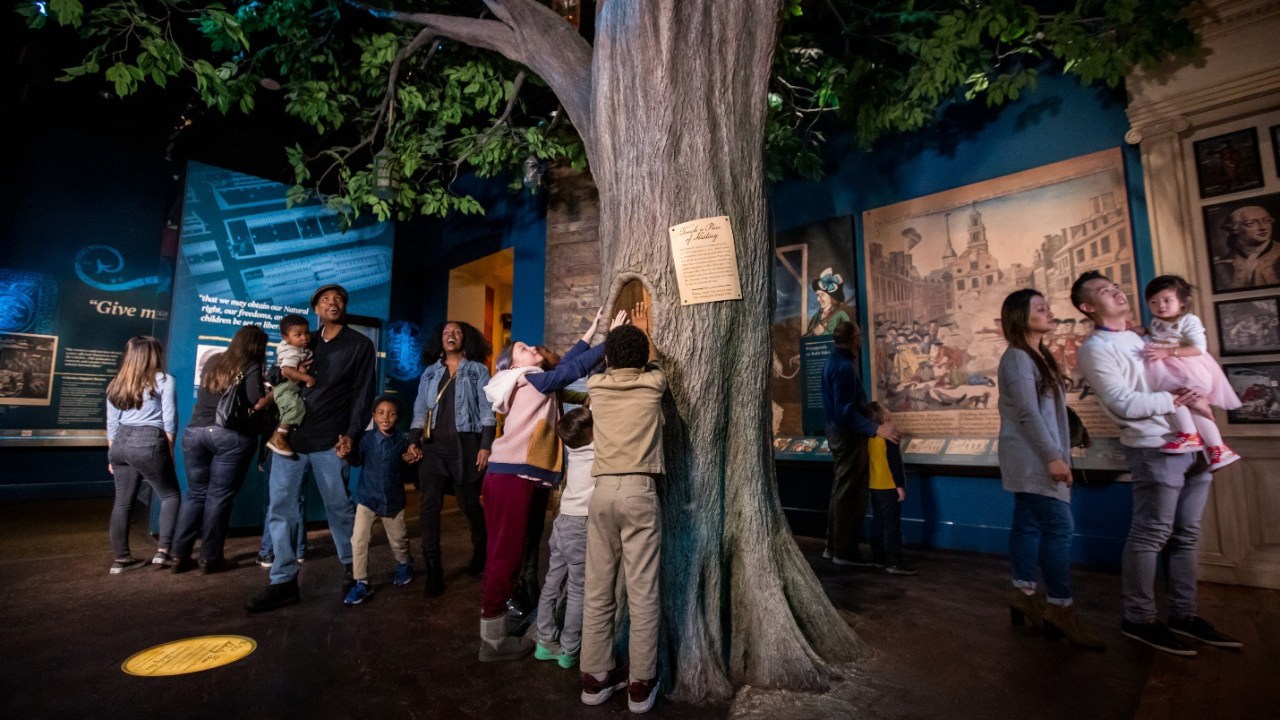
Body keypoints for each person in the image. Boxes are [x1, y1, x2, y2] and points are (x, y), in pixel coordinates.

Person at [1074, 270, 1243, 656]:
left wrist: (1195, 397)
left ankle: (1184, 614)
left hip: (1194, 443)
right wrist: (1182, 399)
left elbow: (1183, 361)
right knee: (1151, 534)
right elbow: (1123, 403)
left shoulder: (1141, 333)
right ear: (1087, 307)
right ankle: (1139, 618)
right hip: (1155, 446)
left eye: (1115, 286)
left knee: (1187, 535)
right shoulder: (1095, 348)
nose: (1116, 291)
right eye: (1104, 291)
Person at [477, 308, 623, 662]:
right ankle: (492, 640)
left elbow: (567, 364)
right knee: (504, 554)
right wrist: (612, 342)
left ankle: (495, 628)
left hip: (510, 476)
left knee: (509, 552)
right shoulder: (527, 378)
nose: (531, 349)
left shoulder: (532, 378)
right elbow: (571, 370)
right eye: (523, 348)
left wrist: (592, 331)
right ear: (512, 366)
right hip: (512, 476)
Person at [247, 284, 376, 613]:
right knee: (281, 509)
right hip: (289, 442)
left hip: (329, 440)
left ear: (344, 307)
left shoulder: (359, 345)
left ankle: (354, 571)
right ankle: (283, 581)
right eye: (325, 299)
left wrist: (352, 433)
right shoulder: (305, 341)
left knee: (339, 508)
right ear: (315, 308)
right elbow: (279, 380)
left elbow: (363, 393)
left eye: (338, 299)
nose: (333, 303)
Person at [996, 289, 1102, 649]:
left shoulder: (1034, 356)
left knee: (1028, 523)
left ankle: (1024, 592)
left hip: (1033, 455)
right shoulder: (1018, 359)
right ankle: (1060, 606)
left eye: (1047, 307)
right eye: (1039, 308)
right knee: (1059, 526)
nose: (1049, 312)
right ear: (1019, 317)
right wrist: (1053, 457)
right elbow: (1027, 412)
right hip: (1034, 458)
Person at [579, 322, 665, 714]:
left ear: (609, 358)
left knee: (598, 588)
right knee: (642, 591)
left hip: (602, 494)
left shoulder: (596, 387)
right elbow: (658, 366)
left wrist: (609, 343)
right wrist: (648, 338)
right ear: (644, 358)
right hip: (639, 491)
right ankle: (640, 684)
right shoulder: (654, 384)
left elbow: (596, 368)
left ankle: (595, 678)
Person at [171, 325, 268, 574]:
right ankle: (210, 558)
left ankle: (179, 554)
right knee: (218, 496)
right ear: (257, 346)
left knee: (195, 494)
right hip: (229, 435)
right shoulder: (251, 365)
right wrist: (273, 394)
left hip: (195, 432)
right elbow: (254, 402)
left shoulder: (214, 360)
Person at [410, 320, 495, 597]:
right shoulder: (430, 372)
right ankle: (433, 569)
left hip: (465, 447)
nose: (451, 335)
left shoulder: (478, 370)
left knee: (469, 505)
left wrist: (485, 445)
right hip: (433, 449)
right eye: (446, 331)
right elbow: (420, 408)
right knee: (429, 507)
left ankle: (481, 551)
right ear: (440, 339)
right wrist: (414, 440)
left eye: (457, 332)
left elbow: (487, 409)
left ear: (465, 339)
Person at [1142, 275, 1242, 471]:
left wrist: (1168, 352)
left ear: (1182, 303)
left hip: (1188, 368)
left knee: (1179, 398)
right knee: (1185, 403)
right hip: (1169, 369)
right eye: (1154, 302)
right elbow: (1160, 335)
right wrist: (1143, 330)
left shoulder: (1188, 320)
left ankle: (1190, 435)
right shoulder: (1157, 322)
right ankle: (1217, 448)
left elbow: (1199, 348)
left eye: (1167, 300)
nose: (1160, 306)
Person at [821, 320, 899, 567]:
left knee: (840, 489)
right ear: (854, 339)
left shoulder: (835, 362)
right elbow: (844, 412)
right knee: (850, 493)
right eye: (859, 335)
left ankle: (833, 546)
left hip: (839, 433)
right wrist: (876, 428)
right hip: (847, 436)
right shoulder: (843, 367)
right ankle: (844, 552)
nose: (861, 339)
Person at [104, 336, 180, 573]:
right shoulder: (165, 381)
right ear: (154, 355)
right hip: (149, 441)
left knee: (122, 503)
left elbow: (112, 424)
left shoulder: (116, 383)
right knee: (170, 495)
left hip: (120, 444)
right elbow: (169, 421)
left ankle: (121, 560)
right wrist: (169, 451)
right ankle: (163, 552)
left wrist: (111, 455)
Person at [532, 407, 596, 670]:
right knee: (578, 589)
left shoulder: (574, 449)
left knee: (552, 582)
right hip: (580, 525)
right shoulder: (597, 450)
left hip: (563, 521)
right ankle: (570, 648)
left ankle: (544, 640)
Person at [344, 397, 421, 605]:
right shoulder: (366, 439)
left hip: (392, 500)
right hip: (367, 498)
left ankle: (405, 564)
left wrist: (411, 461)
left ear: (398, 418)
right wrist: (347, 454)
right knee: (358, 540)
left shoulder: (403, 442)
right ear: (374, 416)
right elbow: (357, 460)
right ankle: (361, 582)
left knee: (399, 539)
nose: (385, 417)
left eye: (391, 413)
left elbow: (406, 471)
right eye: (381, 412)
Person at [865, 402, 916, 576]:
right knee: (892, 526)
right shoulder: (890, 435)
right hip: (888, 485)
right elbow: (894, 463)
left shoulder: (869, 435)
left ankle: (878, 558)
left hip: (874, 484)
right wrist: (900, 486)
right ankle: (894, 562)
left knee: (878, 522)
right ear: (885, 416)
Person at [266, 314, 315, 457]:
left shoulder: (293, 346)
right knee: (295, 408)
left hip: (288, 387)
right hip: (285, 388)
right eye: (298, 335)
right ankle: (279, 436)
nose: (304, 337)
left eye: (306, 332)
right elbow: (286, 371)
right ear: (286, 338)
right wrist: (307, 378)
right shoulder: (292, 352)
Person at [1212, 205, 1279, 291]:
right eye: (1251, 223)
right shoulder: (1221, 265)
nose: (1263, 227)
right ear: (1234, 229)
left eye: (1267, 221)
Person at [805, 267, 852, 336]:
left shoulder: (841, 315)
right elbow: (808, 339)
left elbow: (847, 339)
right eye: (818, 295)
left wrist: (824, 333)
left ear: (832, 297)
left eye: (822, 295)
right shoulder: (816, 316)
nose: (818, 299)